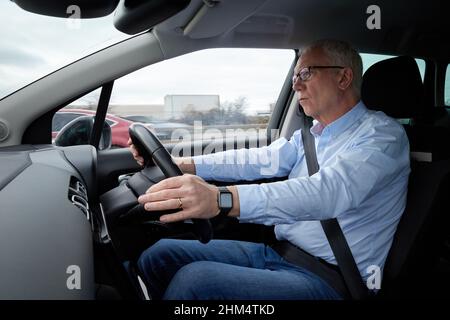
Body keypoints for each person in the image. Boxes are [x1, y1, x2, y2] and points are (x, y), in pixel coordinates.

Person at [128, 39, 410, 300]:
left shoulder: (383, 137)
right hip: (279, 254)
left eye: (306, 73)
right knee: (158, 256)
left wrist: (220, 199)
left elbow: (328, 192)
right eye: (295, 76)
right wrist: (184, 164)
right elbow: (260, 159)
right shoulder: (311, 136)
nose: (296, 85)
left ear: (343, 77)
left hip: (331, 279)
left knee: (195, 282)